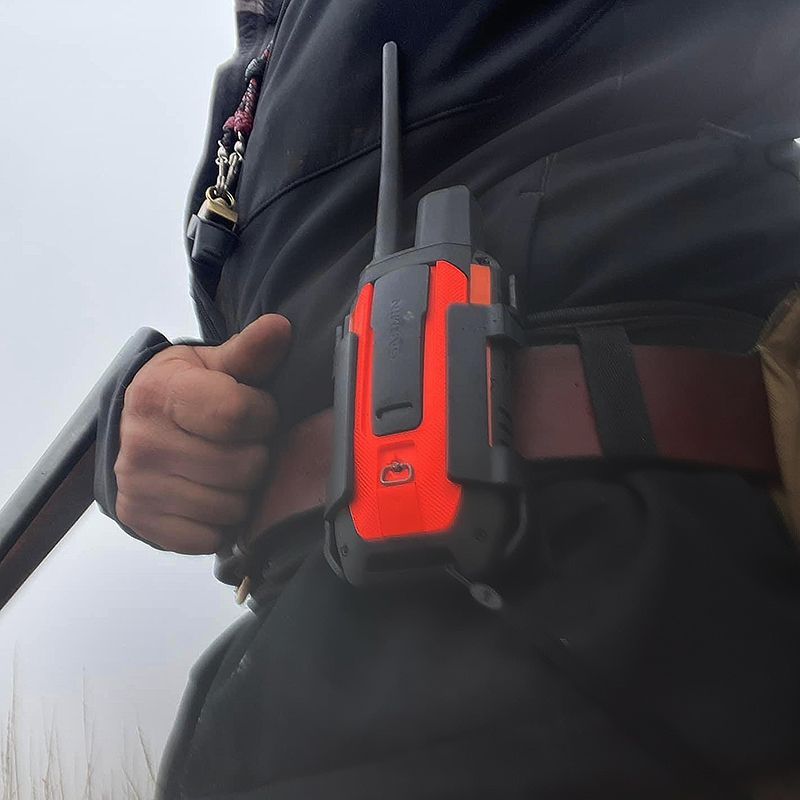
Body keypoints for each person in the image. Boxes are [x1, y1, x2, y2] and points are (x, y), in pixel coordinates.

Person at [94, 1, 800, 797]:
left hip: (631, 595)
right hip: (283, 671)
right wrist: (147, 408)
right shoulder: (262, 72)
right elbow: (273, 335)